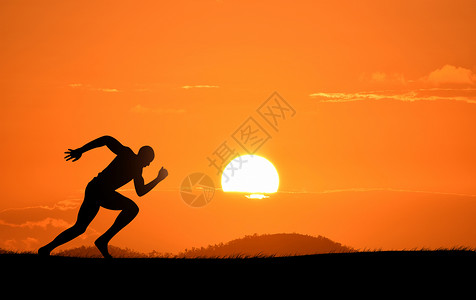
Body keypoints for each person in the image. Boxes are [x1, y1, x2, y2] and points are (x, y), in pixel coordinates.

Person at [38, 136, 168, 258]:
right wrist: (81, 150)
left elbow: (140, 191)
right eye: (148, 161)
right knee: (131, 209)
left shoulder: (137, 170)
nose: (148, 165)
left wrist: (158, 179)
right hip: (98, 190)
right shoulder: (126, 154)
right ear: (143, 156)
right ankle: (103, 240)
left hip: (99, 191)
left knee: (80, 228)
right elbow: (106, 139)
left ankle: (46, 249)